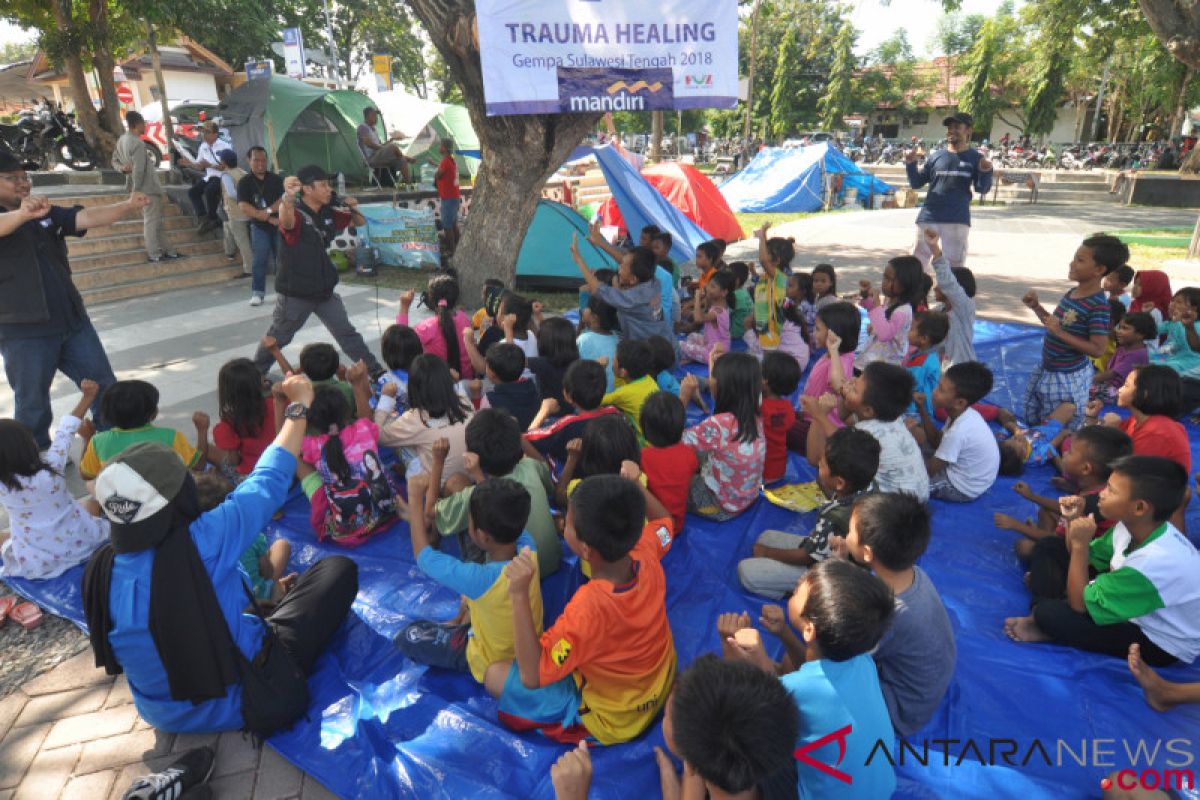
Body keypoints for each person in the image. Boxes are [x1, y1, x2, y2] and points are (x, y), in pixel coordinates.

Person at [83, 374, 359, 735]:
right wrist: (298, 405)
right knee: (338, 570)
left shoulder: (102, 564)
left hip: (157, 711)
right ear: (179, 496)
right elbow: (269, 478)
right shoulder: (206, 538)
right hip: (244, 698)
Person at [490, 472, 677, 745]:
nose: (563, 523)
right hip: (662, 679)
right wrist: (637, 484)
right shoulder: (646, 550)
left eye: (568, 522)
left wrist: (518, 593)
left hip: (618, 718)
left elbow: (532, 675)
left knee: (495, 675)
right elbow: (664, 523)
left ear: (586, 550)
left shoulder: (588, 610)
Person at [0, 152, 149, 449]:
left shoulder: (45, 212)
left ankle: (113, 446)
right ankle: (35, 462)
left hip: (73, 323)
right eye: (12, 178)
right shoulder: (16, 216)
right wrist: (21, 215)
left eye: (24, 177)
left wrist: (127, 205)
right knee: (32, 404)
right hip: (24, 332)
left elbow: (86, 217)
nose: (22, 183)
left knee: (106, 387)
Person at [722, 559, 897, 800]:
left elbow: (755, 703)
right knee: (787, 663)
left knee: (735, 744)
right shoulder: (862, 661)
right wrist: (784, 632)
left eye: (798, 590)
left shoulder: (795, 690)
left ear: (809, 630)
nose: (799, 581)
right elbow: (813, 674)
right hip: (880, 790)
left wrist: (736, 650)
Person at [1005, 456, 1200, 668]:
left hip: (1157, 640)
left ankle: (1045, 620)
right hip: (1132, 602)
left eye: (1111, 490)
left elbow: (1078, 603)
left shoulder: (1153, 563)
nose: (1101, 495)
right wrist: (1072, 520)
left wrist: (1079, 547)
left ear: (1139, 507)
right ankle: (1043, 615)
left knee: (1051, 614)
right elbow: (1087, 556)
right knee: (1050, 545)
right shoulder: (1131, 525)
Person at [398, 473, 542, 682]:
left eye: (470, 521)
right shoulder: (530, 550)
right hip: (526, 647)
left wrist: (414, 498)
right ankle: (461, 619)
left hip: (490, 659)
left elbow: (423, 556)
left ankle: (460, 625)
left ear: (482, 536)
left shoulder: (479, 579)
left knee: (409, 636)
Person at [841, 492, 956, 737]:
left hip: (900, 712)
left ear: (868, 553)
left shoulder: (887, 615)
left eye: (850, 532)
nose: (845, 536)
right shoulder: (915, 575)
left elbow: (844, 659)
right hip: (925, 686)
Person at [250, 165, 381, 377]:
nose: (329, 189)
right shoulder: (297, 214)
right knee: (279, 337)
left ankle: (375, 371)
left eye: (328, 185)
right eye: (323, 185)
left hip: (324, 291)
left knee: (347, 333)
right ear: (308, 190)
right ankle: (254, 375)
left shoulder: (328, 211)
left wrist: (352, 207)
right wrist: (288, 197)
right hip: (295, 293)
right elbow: (286, 220)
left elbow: (359, 222)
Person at [738, 426, 879, 600]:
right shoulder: (870, 486)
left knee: (746, 572)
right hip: (840, 558)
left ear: (840, 482)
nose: (819, 461)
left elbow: (808, 557)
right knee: (766, 536)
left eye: (822, 462)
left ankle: (805, 593)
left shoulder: (833, 515)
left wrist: (767, 553)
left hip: (831, 573)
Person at [0, 380, 109, 581]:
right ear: (29, 444)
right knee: (91, 503)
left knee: (2, 538)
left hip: (39, 560)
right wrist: (88, 397)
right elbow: (66, 430)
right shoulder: (53, 465)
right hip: (84, 542)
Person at [431, 408, 560, 576]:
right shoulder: (531, 467)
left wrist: (438, 462)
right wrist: (517, 436)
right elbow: (544, 468)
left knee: (455, 484)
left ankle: (437, 539)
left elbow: (429, 512)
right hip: (550, 563)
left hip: (509, 578)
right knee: (458, 483)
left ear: (473, 455)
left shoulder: (475, 496)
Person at [651, 655, 800, 800]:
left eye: (668, 715)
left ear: (689, 766)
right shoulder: (772, 748)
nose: (664, 719)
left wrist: (668, 774)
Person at [1021, 235, 1124, 429]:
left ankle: (1050, 453)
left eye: (1080, 260)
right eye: (1074, 257)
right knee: (1035, 412)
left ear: (1099, 270)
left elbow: (1098, 349)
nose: (1072, 263)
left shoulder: (1098, 306)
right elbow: (1055, 325)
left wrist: (1060, 333)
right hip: (1048, 368)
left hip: (1066, 376)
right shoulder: (1072, 293)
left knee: (1055, 425)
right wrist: (1037, 307)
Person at [995, 425, 1132, 560]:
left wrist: (1015, 525)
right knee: (1045, 510)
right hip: (1076, 538)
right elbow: (1061, 507)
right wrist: (1033, 496)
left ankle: (1044, 554)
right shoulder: (1096, 487)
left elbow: (1057, 541)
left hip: (1081, 555)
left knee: (1023, 546)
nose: (1064, 453)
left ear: (1085, 469)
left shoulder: (1091, 504)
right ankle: (1039, 534)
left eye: (1070, 452)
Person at [298, 370, 401, 546]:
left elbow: (285, 448)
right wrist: (357, 384)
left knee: (297, 460)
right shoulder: (364, 427)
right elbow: (366, 417)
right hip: (389, 513)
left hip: (347, 532)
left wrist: (282, 403)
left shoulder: (311, 445)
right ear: (346, 410)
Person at [808, 361, 930, 502]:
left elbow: (816, 455)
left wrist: (819, 415)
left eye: (855, 389)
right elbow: (842, 416)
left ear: (867, 410)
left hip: (889, 511)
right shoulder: (892, 420)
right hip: (917, 502)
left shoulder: (868, 431)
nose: (851, 383)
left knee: (826, 473)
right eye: (855, 380)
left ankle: (844, 510)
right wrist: (845, 394)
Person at [680, 352, 765, 520]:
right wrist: (712, 360)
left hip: (719, 506)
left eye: (713, 377)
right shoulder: (756, 408)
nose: (710, 379)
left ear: (723, 387)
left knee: (671, 475)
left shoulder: (718, 425)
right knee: (704, 451)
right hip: (748, 497)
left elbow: (673, 436)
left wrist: (684, 397)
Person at [908, 112, 994, 272]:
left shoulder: (975, 158)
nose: (951, 131)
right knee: (916, 262)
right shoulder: (936, 157)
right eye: (949, 127)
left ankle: (946, 296)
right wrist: (911, 165)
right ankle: (914, 296)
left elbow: (982, 189)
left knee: (954, 267)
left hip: (957, 219)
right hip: (929, 216)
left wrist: (986, 172)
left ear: (968, 130)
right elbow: (916, 182)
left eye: (957, 127)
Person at [375, 354, 473, 486]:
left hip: (438, 488)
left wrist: (385, 400)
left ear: (414, 388)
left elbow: (377, 435)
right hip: (472, 474)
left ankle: (410, 473)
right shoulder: (463, 400)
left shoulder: (416, 419)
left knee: (403, 442)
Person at [79, 380, 203, 480]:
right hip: (166, 503)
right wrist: (202, 430)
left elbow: (87, 475)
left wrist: (87, 439)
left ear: (106, 415)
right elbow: (199, 465)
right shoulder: (171, 437)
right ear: (153, 413)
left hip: (123, 507)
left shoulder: (98, 441)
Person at [916, 362, 1001, 502]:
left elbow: (930, 470)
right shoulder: (961, 414)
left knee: (906, 481)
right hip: (962, 469)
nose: (934, 392)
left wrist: (905, 455)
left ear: (960, 402)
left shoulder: (958, 432)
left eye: (941, 390)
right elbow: (936, 441)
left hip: (961, 487)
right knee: (916, 437)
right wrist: (922, 409)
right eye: (938, 385)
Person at [571, 235, 673, 343]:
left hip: (648, 351)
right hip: (666, 342)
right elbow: (627, 263)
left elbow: (598, 289)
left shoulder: (631, 299)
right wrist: (600, 243)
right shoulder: (652, 281)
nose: (619, 269)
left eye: (622, 267)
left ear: (633, 279)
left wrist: (578, 259)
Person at [111, 110, 182, 263]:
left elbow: (114, 161)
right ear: (136, 125)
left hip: (140, 187)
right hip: (147, 188)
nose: (146, 126)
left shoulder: (122, 140)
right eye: (144, 123)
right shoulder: (137, 143)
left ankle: (170, 251)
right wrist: (136, 190)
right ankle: (154, 254)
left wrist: (122, 169)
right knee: (151, 222)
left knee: (155, 222)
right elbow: (139, 169)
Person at [789, 302, 859, 456]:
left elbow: (837, 384)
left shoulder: (841, 359)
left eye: (818, 329)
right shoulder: (829, 354)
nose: (814, 333)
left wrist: (833, 350)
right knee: (782, 414)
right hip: (811, 415)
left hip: (822, 426)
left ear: (834, 334)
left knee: (781, 427)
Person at [524, 360, 619, 467]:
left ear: (567, 395)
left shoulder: (565, 425)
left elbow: (527, 440)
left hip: (571, 477)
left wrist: (543, 411)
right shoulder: (615, 414)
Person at [201, 358, 276, 482]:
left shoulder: (227, 424)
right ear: (259, 381)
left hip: (252, 477)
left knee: (206, 448)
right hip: (286, 468)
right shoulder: (278, 404)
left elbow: (233, 461)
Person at [639, 391, 699, 534]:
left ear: (645, 429)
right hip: (678, 525)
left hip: (655, 528)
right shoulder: (689, 453)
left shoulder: (643, 457)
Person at [236, 146, 285, 306]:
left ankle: (283, 292)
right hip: (259, 227)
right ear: (248, 161)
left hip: (280, 225)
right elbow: (243, 205)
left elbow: (284, 199)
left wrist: (269, 211)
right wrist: (266, 217)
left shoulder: (276, 179)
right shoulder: (244, 182)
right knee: (259, 260)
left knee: (282, 260)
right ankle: (257, 293)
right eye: (256, 160)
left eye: (264, 160)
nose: (260, 163)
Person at [401, 275, 475, 380]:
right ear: (456, 298)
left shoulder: (426, 327)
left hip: (437, 386)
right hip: (467, 382)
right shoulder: (464, 319)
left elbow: (401, 341)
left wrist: (404, 307)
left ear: (431, 299)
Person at [856, 255, 925, 369]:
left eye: (889, 279)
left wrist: (877, 303)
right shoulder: (891, 302)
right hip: (870, 362)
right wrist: (865, 295)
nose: (884, 282)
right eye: (884, 277)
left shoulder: (903, 311)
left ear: (905, 283)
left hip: (883, 368)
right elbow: (876, 313)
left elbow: (884, 334)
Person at [922, 229, 976, 366]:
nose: (935, 287)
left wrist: (934, 248)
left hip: (961, 370)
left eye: (939, 284)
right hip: (943, 368)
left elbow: (949, 283)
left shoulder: (963, 308)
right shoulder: (940, 310)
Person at [601, 339, 659, 443]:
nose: (612, 360)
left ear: (623, 371)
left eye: (614, 359)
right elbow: (622, 383)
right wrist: (617, 373)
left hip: (645, 445)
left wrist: (599, 369)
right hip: (660, 436)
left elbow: (596, 399)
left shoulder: (623, 394)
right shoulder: (648, 379)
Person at [996, 402, 1076, 476]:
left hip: (1044, 426)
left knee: (1068, 406)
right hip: (1055, 433)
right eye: (1018, 441)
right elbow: (1051, 448)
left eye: (1012, 439)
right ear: (1023, 453)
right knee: (1071, 408)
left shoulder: (1005, 445)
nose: (1016, 438)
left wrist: (1016, 431)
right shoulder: (1035, 457)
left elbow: (1008, 425)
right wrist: (1063, 434)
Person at [1090, 312, 1154, 404]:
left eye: (1125, 328)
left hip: (1122, 392)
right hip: (1111, 386)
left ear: (1140, 334)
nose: (1119, 331)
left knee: (1085, 390)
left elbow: (1112, 374)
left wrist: (1087, 380)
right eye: (1119, 327)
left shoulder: (1137, 354)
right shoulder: (1124, 348)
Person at [760, 350, 801, 483]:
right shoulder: (788, 407)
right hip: (779, 470)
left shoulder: (759, 406)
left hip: (760, 471)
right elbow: (788, 424)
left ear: (765, 382)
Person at [480, 343, 540, 431]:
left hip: (507, 442)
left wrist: (476, 396)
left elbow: (482, 427)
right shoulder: (533, 387)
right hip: (533, 437)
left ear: (492, 374)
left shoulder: (489, 400)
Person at [904, 310, 950, 420]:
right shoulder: (929, 355)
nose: (907, 332)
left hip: (916, 411)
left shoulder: (921, 361)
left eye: (911, 329)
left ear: (924, 339)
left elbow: (909, 386)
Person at [182, 121, 224, 234]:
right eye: (203, 132)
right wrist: (188, 164)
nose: (204, 135)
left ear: (215, 134)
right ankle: (203, 218)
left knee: (210, 190)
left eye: (207, 132)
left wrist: (209, 165)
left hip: (221, 177)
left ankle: (213, 218)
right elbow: (199, 166)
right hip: (209, 176)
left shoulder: (224, 146)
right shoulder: (203, 146)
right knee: (193, 192)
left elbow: (227, 167)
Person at [217, 149, 252, 278]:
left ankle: (249, 269)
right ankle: (229, 252)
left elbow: (231, 193)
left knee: (242, 241)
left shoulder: (227, 175)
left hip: (235, 212)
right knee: (227, 227)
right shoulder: (243, 173)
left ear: (224, 162)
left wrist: (242, 198)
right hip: (248, 211)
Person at [357, 107, 415, 185]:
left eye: (376, 116)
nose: (376, 118)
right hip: (371, 158)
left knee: (402, 160)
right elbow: (368, 144)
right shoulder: (362, 127)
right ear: (367, 116)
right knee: (393, 147)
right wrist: (384, 148)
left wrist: (391, 139)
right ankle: (407, 158)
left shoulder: (373, 129)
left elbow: (380, 146)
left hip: (379, 155)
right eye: (373, 115)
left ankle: (409, 185)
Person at [435, 139, 462, 255]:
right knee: (453, 224)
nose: (439, 148)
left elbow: (439, 175)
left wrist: (435, 173)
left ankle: (452, 251)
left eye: (440, 146)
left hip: (449, 198)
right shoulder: (451, 161)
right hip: (454, 196)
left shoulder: (445, 161)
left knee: (447, 226)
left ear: (444, 148)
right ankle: (459, 249)